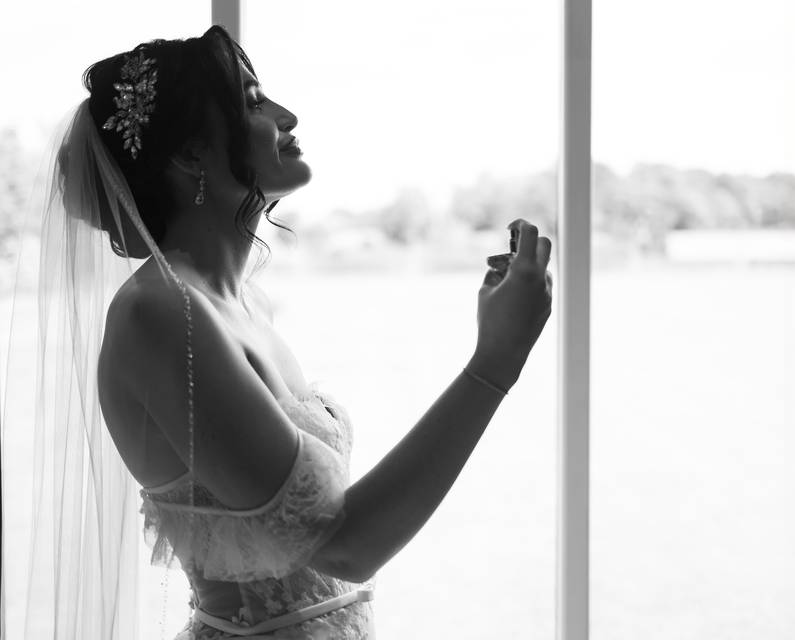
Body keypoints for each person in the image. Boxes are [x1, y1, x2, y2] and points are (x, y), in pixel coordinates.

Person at [0, 25, 553, 640]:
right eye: (255, 101)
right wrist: (494, 364)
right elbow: (345, 546)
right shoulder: (160, 314)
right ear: (189, 155)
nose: (287, 115)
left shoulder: (238, 305)